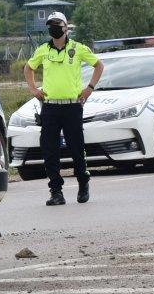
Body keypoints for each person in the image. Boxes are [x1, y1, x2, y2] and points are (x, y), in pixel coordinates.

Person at [23, 11, 104, 206]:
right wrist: (33, 88)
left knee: (76, 148)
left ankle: (83, 182)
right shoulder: (43, 49)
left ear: (66, 27)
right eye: (50, 24)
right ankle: (56, 191)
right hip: (50, 107)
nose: (54, 27)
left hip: (72, 107)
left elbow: (99, 65)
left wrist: (89, 89)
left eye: (57, 24)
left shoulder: (77, 48)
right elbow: (28, 68)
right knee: (50, 150)